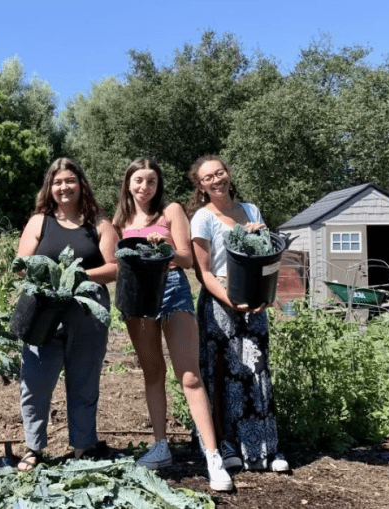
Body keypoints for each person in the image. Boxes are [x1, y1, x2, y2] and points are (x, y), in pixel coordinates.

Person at [112, 158, 233, 491]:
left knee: (189, 375)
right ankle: (161, 445)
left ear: (157, 185)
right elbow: (114, 262)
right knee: (153, 372)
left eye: (150, 181)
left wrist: (161, 247)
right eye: (138, 181)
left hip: (173, 291)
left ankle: (213, 456)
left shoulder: (171, 211)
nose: (144, 187)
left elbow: (186, 257)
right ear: (128, 183)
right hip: (138, 299)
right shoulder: (120, 220)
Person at [187, 155, 290, 473]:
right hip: (220, 305)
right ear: (201, 186)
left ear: (229, 175)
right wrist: (231, 301)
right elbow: (203, 272)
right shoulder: (202, 218)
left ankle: (266, 449)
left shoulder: (251, 211)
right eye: (208, 178)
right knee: (221, 375)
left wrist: (265, 296)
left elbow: (265, 256)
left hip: (254, 302)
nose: (216, 180)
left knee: (256, 372)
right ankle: (227, 445)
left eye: (220, 173)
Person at [15, 157, 118, 471]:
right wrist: (50, 282)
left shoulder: (99, 224)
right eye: (57, 182)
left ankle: (83, 446)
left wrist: (78, 277)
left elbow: (114, 267)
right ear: (50, 187)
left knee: (84, 381)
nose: (64, 187)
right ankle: (34, 447)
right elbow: (22, 264)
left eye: (69, 181)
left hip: (87, 313)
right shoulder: (40, 222)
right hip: (44, 312)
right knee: (35, 382)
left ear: (80, 184)